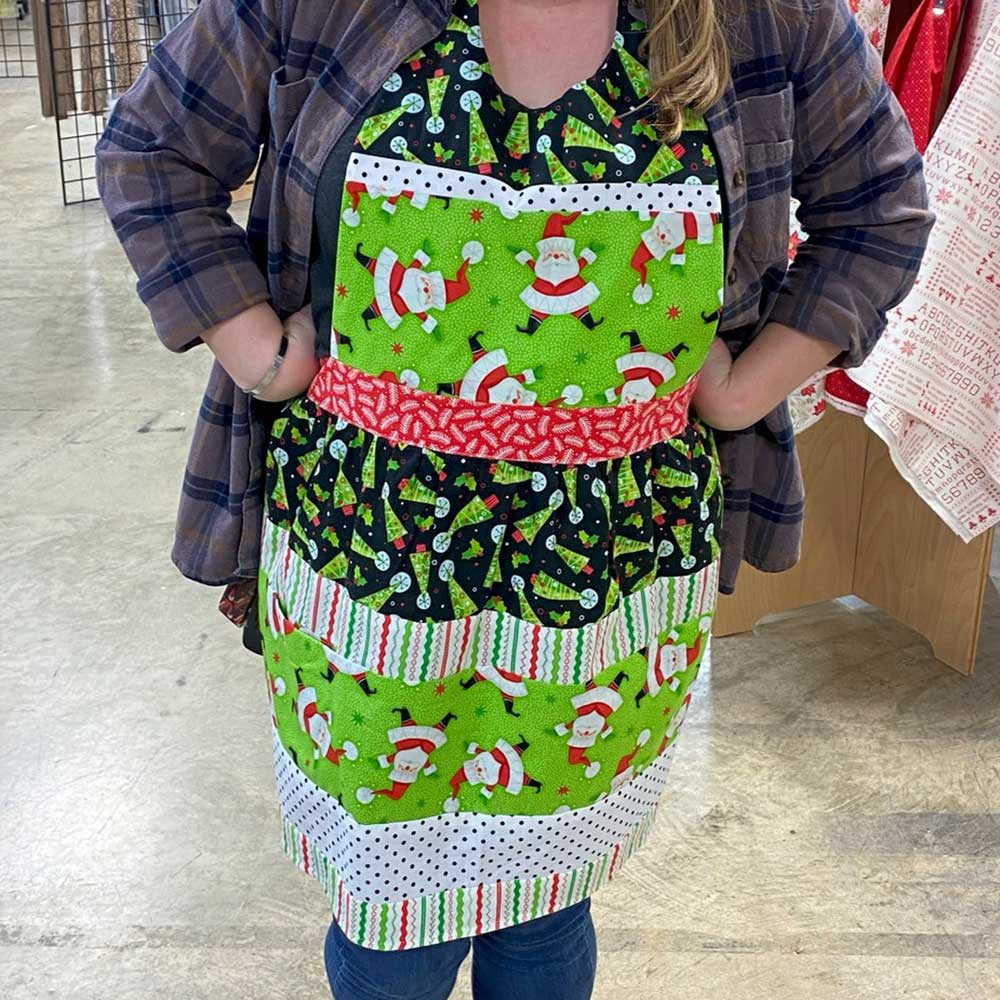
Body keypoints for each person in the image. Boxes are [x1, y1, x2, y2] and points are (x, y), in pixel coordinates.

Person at [96, 0, 933, 997]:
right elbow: (152, 148)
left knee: (543, 905)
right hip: (370, 556)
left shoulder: (766, 16)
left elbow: (881, 209)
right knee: (391, 920)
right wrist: (258, 353)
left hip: (605, 572)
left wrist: (745, 389)